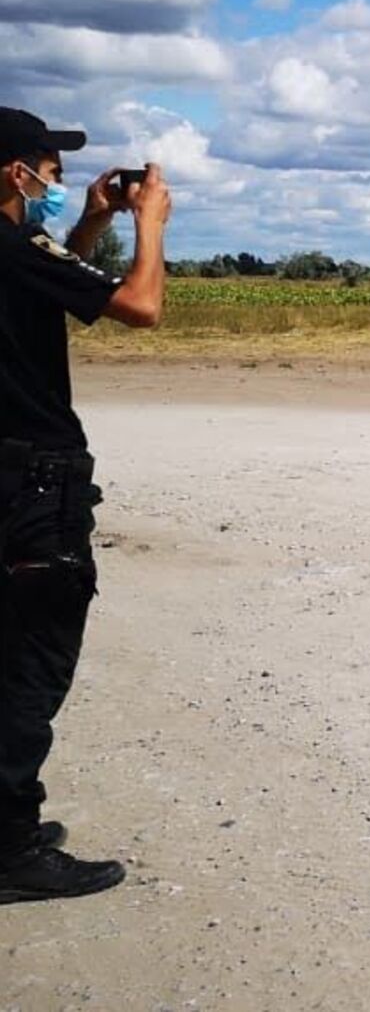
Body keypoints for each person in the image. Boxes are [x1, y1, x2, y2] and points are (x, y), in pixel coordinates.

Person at [0, 106, 169, 904]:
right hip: (32, 482)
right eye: (51, 168)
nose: (57, 181)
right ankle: (9, 850)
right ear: (15, 172)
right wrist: (149, 226)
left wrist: (94, 223)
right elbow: (139, 308)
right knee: (30, 662)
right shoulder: (10, 243)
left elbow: (47, 279)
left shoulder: (17, 252)